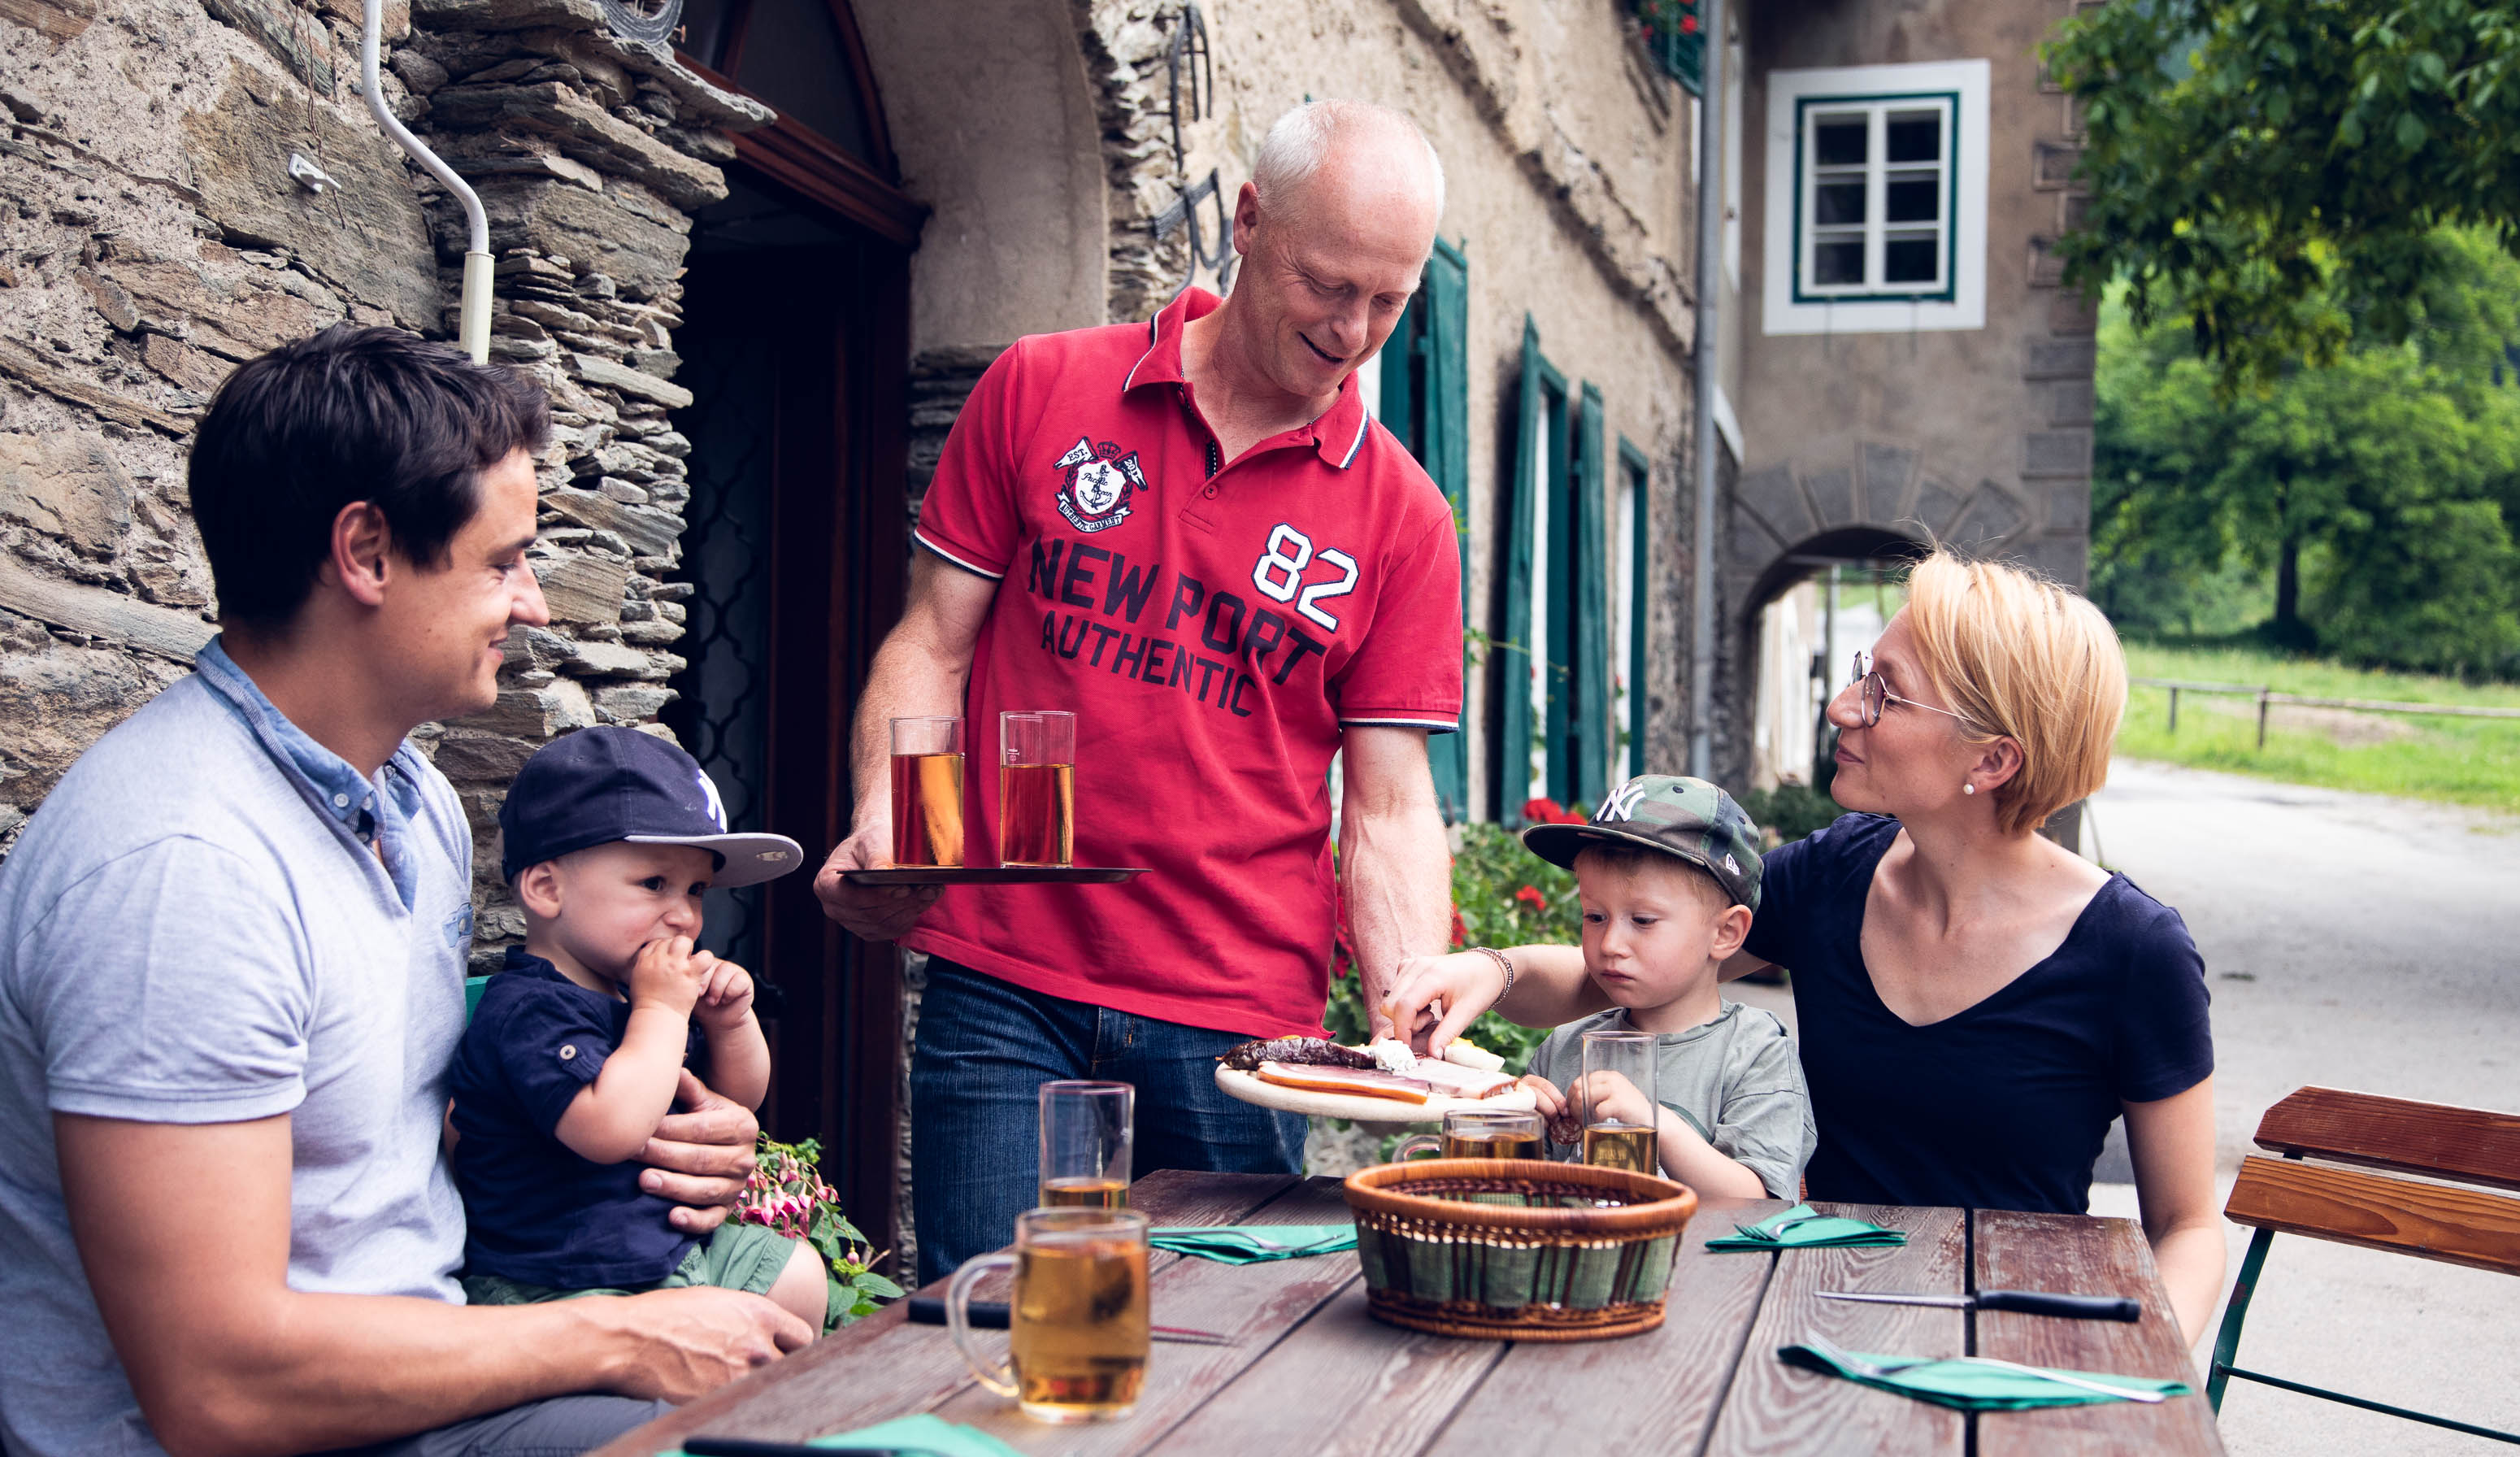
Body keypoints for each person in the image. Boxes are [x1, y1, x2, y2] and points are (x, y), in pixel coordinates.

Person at [0, 326, 809, 1457]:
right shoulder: (182, 872)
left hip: (437, 1371)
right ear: (368, 552)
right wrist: (621, 1334)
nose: (534, 603)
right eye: (503, 561)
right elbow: (217, 1390)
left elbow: (398, 1137)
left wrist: (654, 1147)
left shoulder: (414, 803)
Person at [814, 99, 1462, 1282]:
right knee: (994, 1327)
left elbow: (1387, 801)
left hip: (1237, 1016)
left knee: (1220, 1355)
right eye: (1328, 285)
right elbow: (935, 644)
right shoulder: (1041, 386)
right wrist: (898, 827)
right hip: (1009, 977)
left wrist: (1407, 996)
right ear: (1249, 221)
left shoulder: (1405, 515)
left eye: (1390, 301)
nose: (1353, 331)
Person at [1388, 549, 2226, 1340]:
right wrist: (1491, 971)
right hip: (1817, 1307)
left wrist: (2135, 1371)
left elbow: (2188, 1227)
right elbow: (1631, 970)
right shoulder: (1837, 874)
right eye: (1864, 673)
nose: (1843, 706)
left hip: (2006, 1330)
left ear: (1994, 758)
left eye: (1887, 693)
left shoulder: (2133, 949)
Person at [450, 727, 829, 1332]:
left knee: (799, 1274)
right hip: (560, 1286)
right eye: (654, 884)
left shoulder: (640, 996)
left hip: (665, 1258)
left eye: (696, 890)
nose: (684, 916)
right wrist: (664, 1013)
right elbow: (609, 1130)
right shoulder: (529, 1008)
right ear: (546, 889)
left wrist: (729, 1024)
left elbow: (733, 1102)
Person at [1510, 776, 1814, 1201]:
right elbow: (1521, 1195)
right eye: (1595, 916)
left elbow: (1758, 1201)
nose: (1611, 944)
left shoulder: (1755, 1053)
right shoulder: (1564, 1048)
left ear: (1726, 933)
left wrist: (1655, 1123)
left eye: (1643, 921)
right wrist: (1517, 1121)